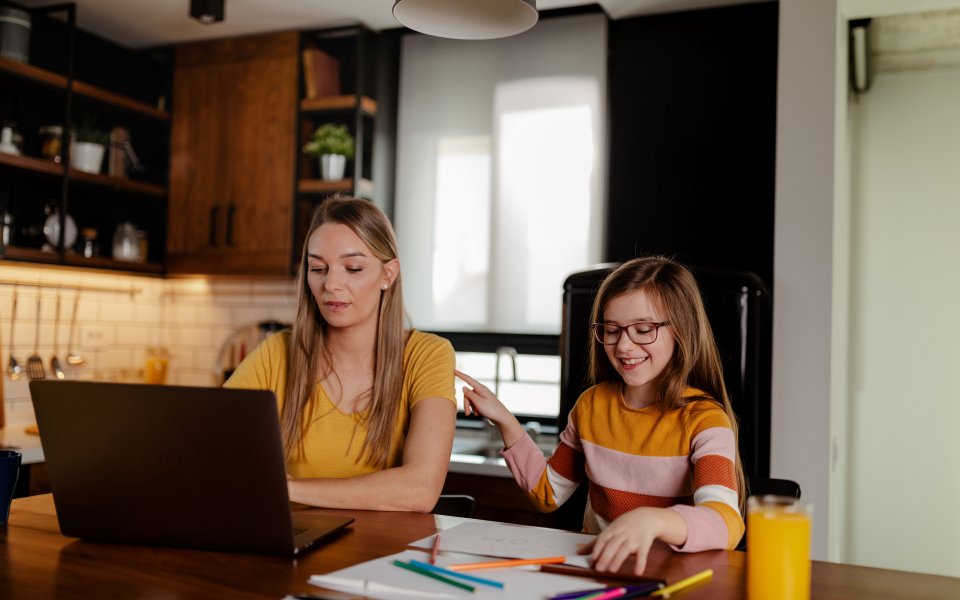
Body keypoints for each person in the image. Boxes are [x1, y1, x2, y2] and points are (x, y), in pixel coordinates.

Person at [456, 256, 745, 574]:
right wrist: (505, 420)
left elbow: (726, 522)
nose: (624, 345)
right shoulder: (591, 405)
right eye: (611, 330)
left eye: (643, 329)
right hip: (597, 572)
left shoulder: (705, 420)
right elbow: (548, 494)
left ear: (682, 330)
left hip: (668, 578)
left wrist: (655, 520)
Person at [225, 196, 456, 512]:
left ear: (388, 275)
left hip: (384, 555)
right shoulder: (275, 353)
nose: (331, 284)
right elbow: (211, 450)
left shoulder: (427, 355)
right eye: (318, 268)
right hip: (294, 550)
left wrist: (285, 487)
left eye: (353, 268)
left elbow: (420, 490)